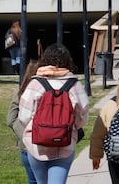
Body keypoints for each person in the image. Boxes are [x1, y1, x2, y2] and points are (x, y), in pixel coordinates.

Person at [18, 43, 89, 184]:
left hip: (36, 147)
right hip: (64, 146)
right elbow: (83, 117)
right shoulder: (74, 85)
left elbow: (24, 116)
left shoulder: (35, 84)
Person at [6, 61, 39, 184]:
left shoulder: (21, 92)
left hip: (25, 147)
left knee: (32, 180)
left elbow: (10, 119)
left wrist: (24, 134)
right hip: (49, 146)